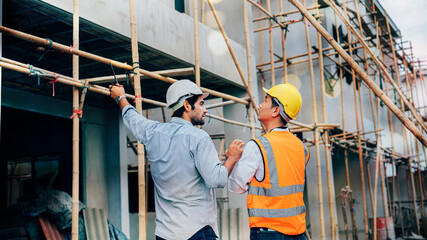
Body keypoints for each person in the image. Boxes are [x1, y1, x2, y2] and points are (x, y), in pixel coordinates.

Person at [109, 80, 244, 240]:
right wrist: (232, 158)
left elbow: (133, 119)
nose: (205, 110)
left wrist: (120, 97)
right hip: (197, 231)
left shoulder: (153, 132)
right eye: (201, 104)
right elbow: (216, 179)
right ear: (187, 105)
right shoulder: (198, 137)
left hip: (165, 233)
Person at [228, 83, 309, 240]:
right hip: (298, 233)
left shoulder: (257, 146)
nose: (260, 105)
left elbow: (235, 187)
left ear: (276, 110)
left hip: (268, 233)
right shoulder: (302, 148)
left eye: (266, 100)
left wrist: (232, 158)